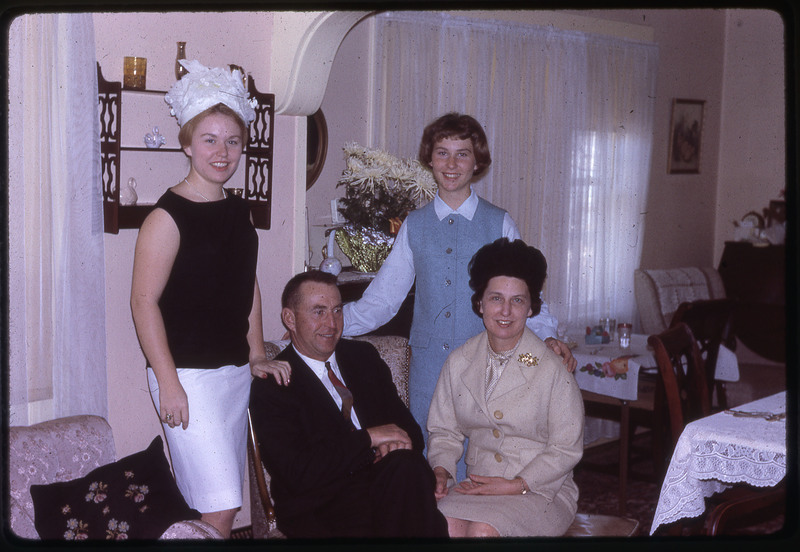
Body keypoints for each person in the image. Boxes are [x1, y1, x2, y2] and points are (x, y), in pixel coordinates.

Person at [343, 113, 576, 446]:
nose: (451, 163)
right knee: (433, 462)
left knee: (480, 464)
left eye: (462, 153)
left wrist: (549, 336)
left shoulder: (499, 223)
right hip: (429, 373)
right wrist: (335, 322)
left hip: (487, 367)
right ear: (430, 158)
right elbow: (382, 301)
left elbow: (522, 295)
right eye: (442, 152)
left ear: (477, 161)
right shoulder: (415, 225)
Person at [130, 60, 290, 538]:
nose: (222, 152)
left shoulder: (238, 210)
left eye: (233, 141)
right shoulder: (166, 216)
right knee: (219, 509)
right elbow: (143, 302)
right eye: (210, 140)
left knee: (214, 507)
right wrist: (169, 382)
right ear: (186, 144)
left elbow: (249, 285)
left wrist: (257, 353)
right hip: (187, 379)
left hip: (231, 376)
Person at [248, 271, 448, 538]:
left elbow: (409, 432)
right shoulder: (274, 384)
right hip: (320, 507)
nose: (331, 323)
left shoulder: (363, 358)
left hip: (383, 486)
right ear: (290, 319)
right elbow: (299, 472)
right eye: (318, 312)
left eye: (337, 310)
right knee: (408, 485)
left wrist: (389, 446)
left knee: (407, 469)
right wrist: (369, 439)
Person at [427, 238, 584, 537]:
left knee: (484, 532)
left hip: (539, 490)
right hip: (480, 487)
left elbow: (566, 448)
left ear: (531, 308)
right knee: (442, 527)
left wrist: (517, 484)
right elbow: (445, 431)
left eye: (518, 300)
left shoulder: (550, 366)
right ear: (480, 303)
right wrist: (442, 470)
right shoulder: (460, 361)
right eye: (496, 298)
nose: (505, 311)